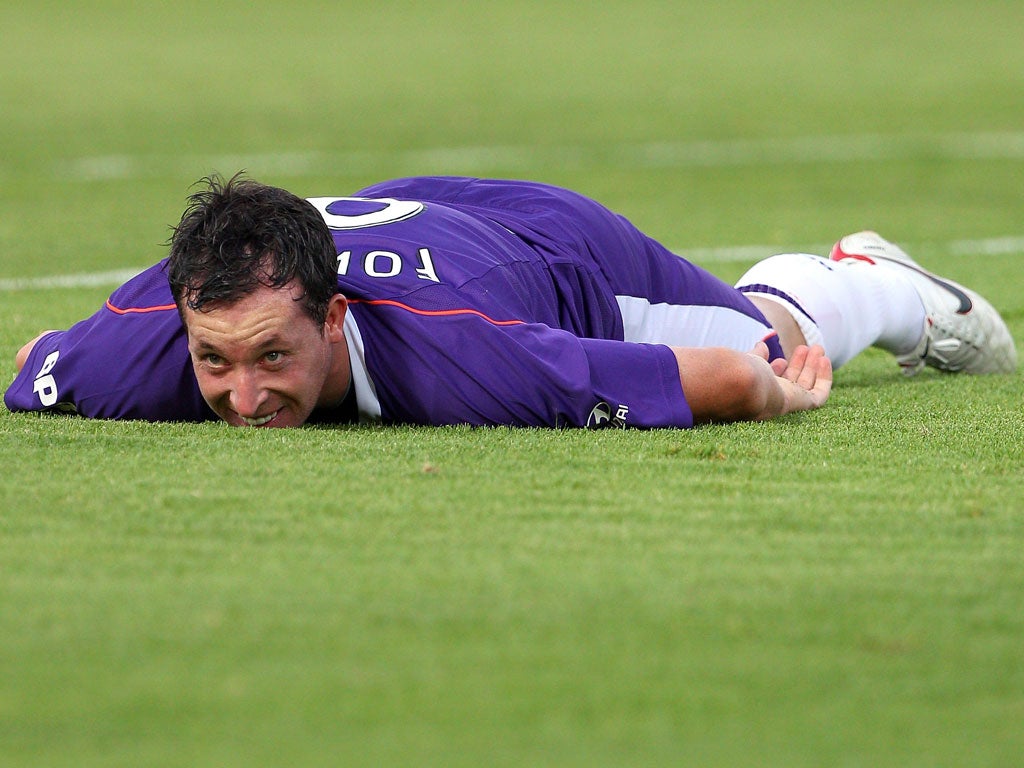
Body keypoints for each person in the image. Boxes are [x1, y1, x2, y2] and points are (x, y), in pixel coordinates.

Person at [4, 174, 1016, 429]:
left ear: (336, 318)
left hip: (555, 249)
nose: (241, 394)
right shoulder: (137, 343)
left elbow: (723, 378)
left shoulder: (463, 352)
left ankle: (875, 283)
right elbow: (43, 358)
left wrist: (780, 394)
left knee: (772, 331)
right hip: (414, 222)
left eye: (273, 357)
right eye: (215, 361)